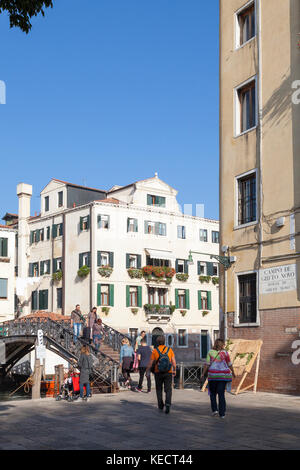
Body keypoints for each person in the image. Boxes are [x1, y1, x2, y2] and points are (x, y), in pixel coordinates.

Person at [201, 338, 236, 419]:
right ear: (222, 344)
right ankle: (222, 413)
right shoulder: (225, 353)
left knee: (212, 393)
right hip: (223, 376)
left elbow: (207, 364)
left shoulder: (210, 352)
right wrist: (233, 372)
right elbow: (229, 364)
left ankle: (214, 410)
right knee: (221, 394)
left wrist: (203, 374)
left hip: (213, 376)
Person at [147, 335, 176, 414]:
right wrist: (175, 369)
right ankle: (168, 404)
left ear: (157, 342)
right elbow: (173, 361)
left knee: (159, 389)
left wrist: (147, 371)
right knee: (168, 389)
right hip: (168, 372)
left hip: (158, 372)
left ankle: (160, 405)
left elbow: (150, 363)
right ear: (164, 341)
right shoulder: (169, 350)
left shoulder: (155, 351)